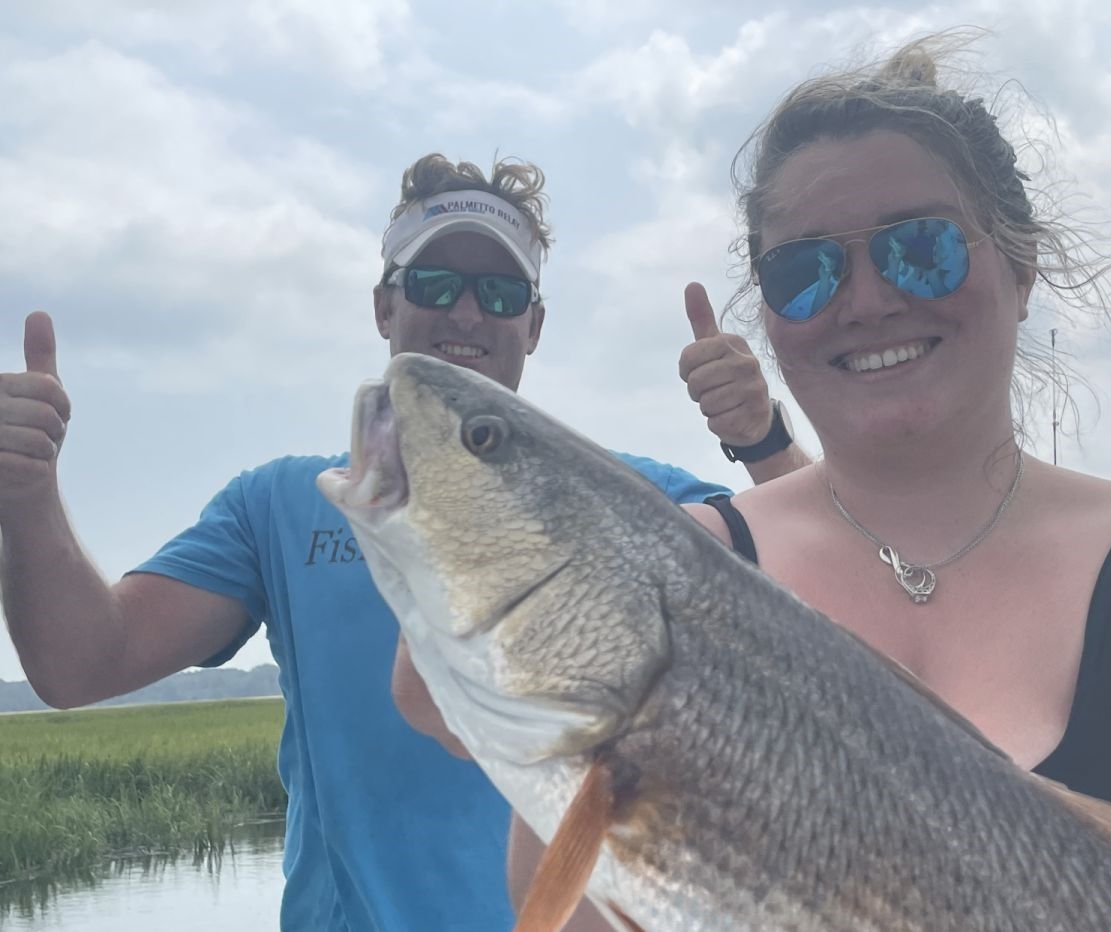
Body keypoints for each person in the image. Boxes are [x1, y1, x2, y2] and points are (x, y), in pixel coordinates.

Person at [508, 35, 1111, 932]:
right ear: (771, 315)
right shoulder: (684, 568)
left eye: (919, 248)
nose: (865, 299)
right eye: (805, 271)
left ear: (1019, 269)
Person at [0, 153, 801, 931]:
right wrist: (26, 494)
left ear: (535, 321)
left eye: (498, 291)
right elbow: (80, 665)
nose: (464, 313)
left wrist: (762, 440)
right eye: (434, 284)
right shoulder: (280, 506)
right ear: (385, 305)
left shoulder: (631, 501)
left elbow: (847, 594)